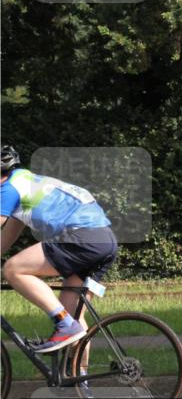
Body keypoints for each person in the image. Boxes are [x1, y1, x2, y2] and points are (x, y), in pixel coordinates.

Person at [0, 145, 119, 353]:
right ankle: (81, 382)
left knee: (13, 269)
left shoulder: (7, 189)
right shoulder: (25, 183)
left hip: (83, 236)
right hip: (105, 239)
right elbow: (5, 239)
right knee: (73, 314)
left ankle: (63, 324)